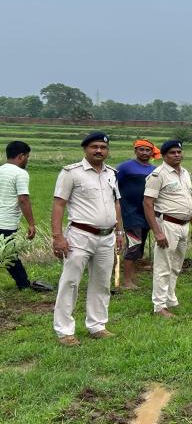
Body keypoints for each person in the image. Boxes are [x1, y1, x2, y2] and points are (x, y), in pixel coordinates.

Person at [51, 132, 124, 346]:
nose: (99, 150)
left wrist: (119, 232)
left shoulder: (111, 173)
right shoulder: (71, 173)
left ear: (107, 150)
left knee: (101, 282)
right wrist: (58, 237)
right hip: (80, 235)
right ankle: (64, 331)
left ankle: (97, 325)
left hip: (107, 236)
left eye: (103, 147)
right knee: (70, 282)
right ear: (85, 149)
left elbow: (116, 204)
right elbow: (58, 204)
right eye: (94, 147)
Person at [142, 140, 192, 318]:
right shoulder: (158, 175)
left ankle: (170, 298)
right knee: (163, 266)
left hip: (184, 225)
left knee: (176, 265)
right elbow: (148, 203)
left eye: (179, 152)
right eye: (172, 152)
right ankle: (159, 306)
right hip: (167, 224)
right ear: (164, 156)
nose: (177, 155)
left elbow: (189, 201)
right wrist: (157, 231)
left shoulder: (185, 173)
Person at [0, 141, 42, 292]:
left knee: (8, 255)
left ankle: (23, 283)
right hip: (6, 222)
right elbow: (23, 199)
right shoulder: (20, 173)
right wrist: (31, 224)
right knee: (10, 255)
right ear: (21, 156)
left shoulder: (1, 170)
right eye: (27, 157)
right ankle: (24, 284)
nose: (27, 160)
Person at [117, 139, 159, 290]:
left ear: (151, 152)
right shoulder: (125, 167)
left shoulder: (155, 170)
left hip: (147, 213)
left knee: (139, 248)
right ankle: (127, 281)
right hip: (130, 212)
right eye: (141, 150)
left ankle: (132, 277)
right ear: (135, 151)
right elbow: (113, 185)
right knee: (133, 246)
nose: (144, 153)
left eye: (148, 150)